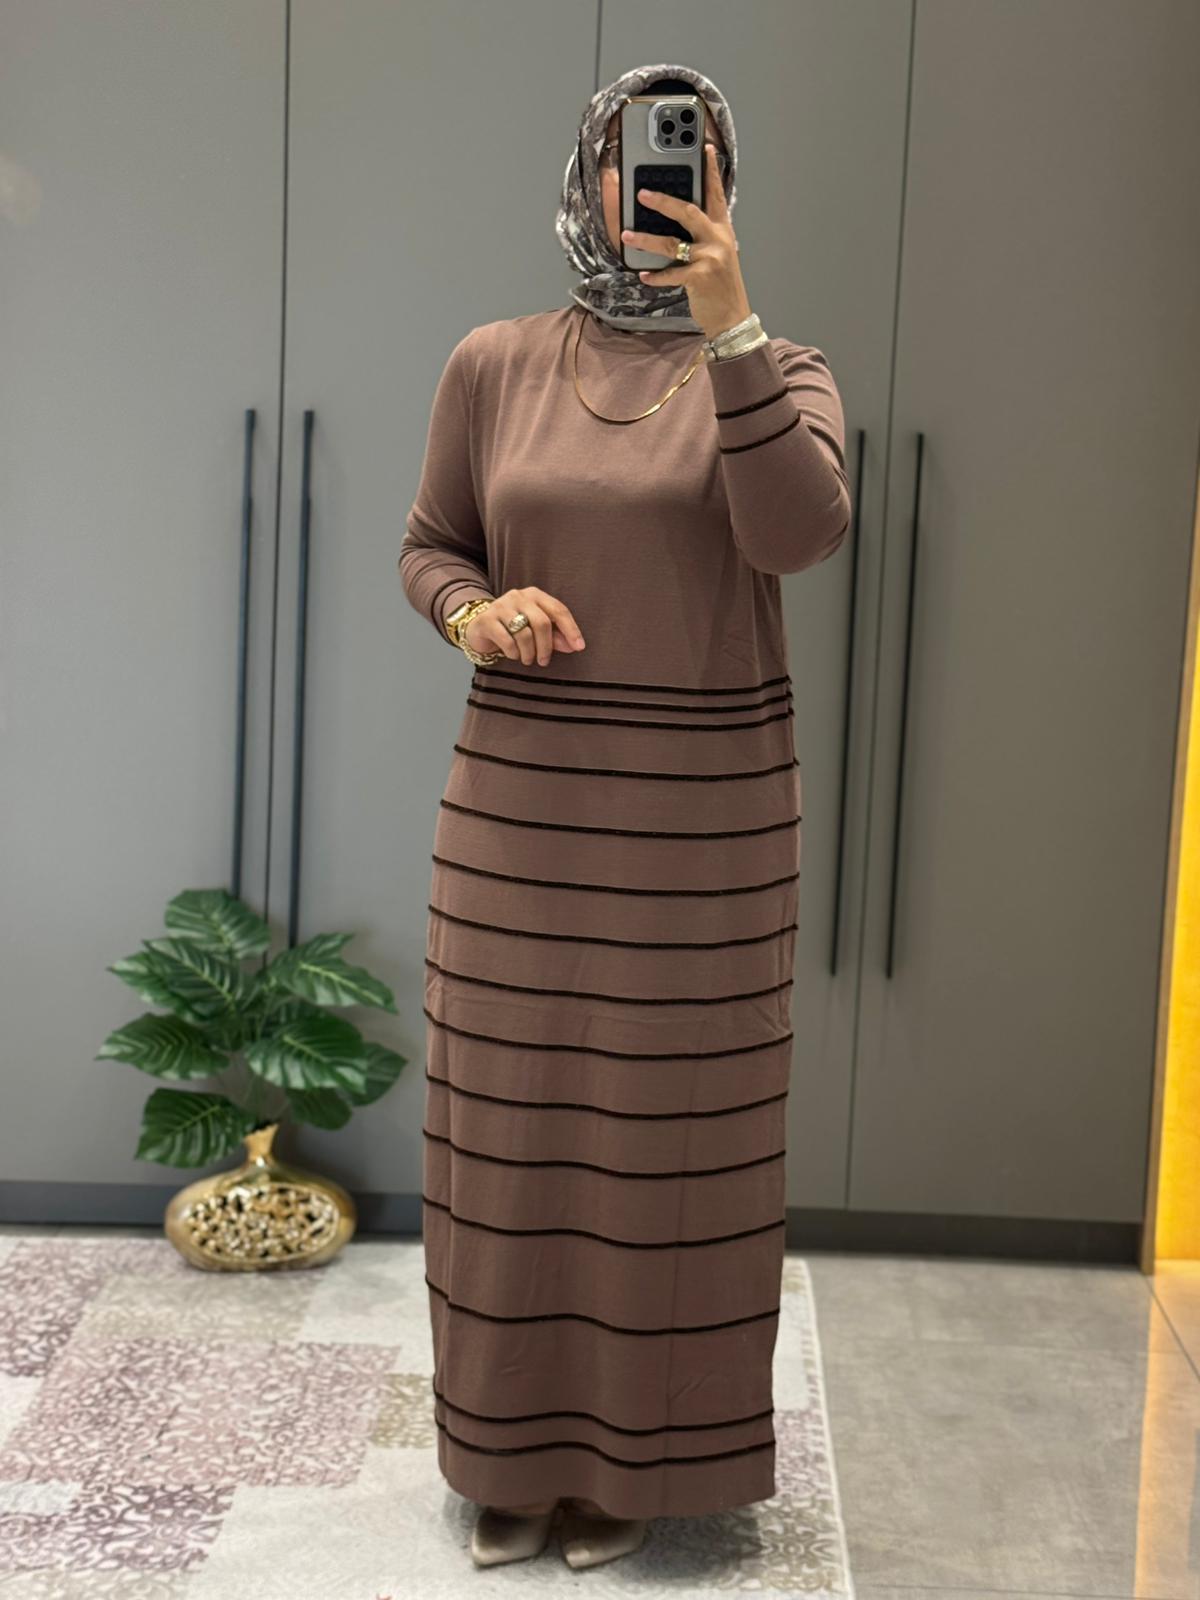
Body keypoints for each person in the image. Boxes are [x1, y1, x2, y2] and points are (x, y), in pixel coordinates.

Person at [398, 61, 850, 1573]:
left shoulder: (785, 369)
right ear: (591, 175)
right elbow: (431, 547)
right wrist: (475, 614)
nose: (663, 182)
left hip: (702, 856)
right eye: (644, 157)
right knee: (512, 1149)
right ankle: (507, 1458)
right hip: (519, 838)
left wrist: (734, 330)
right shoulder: (494, 363)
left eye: (695, 158)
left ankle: (634, 1471)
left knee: (667, 1160)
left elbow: (796, 534)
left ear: (727, 188)